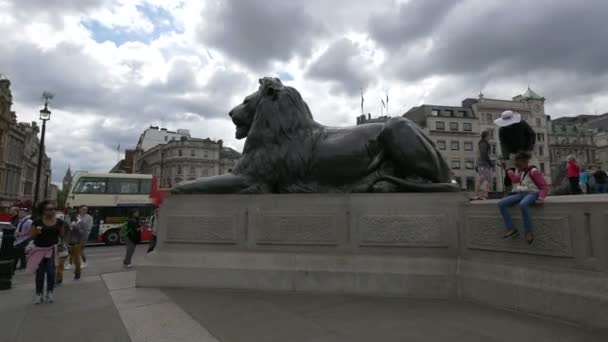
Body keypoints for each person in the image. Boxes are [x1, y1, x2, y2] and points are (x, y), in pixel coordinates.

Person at [498, 152, 549, 245]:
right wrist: (509, 171)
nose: (518, 167)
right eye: (517, 165)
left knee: (523, 205)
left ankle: (528, 231)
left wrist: (541, 198)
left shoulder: (533, 171)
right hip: (522, 193)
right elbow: (516, 180)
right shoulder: (522, 171)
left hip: (532, 193)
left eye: (519, 165)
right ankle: (511, 228)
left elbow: (544, 186)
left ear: (525, 162)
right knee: (501, 203)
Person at [27, 200, 64, 304]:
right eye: (49, 209)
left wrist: (64, 231)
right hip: (39, 250)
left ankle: (49, 292)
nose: (52, 211)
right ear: (43, 211)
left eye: (53, 209)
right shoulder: (37, 222)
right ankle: (39, 294)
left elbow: (62, 236)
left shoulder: (59, 222)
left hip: (52, 250)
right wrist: (36, 233)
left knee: (51, 273)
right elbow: (31, 236)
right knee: (40, 274)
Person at [472, 131, 493, 200]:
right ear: (486, 136)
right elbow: (484, 154)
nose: (490, 137)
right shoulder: (483, 144)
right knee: (485, 179)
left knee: (483, 179)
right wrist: (490, 162)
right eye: (489, 135)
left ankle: (480, 195)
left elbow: (482, 155)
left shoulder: (482, 143)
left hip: (482, 164)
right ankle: (482, 195)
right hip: (483, 164)